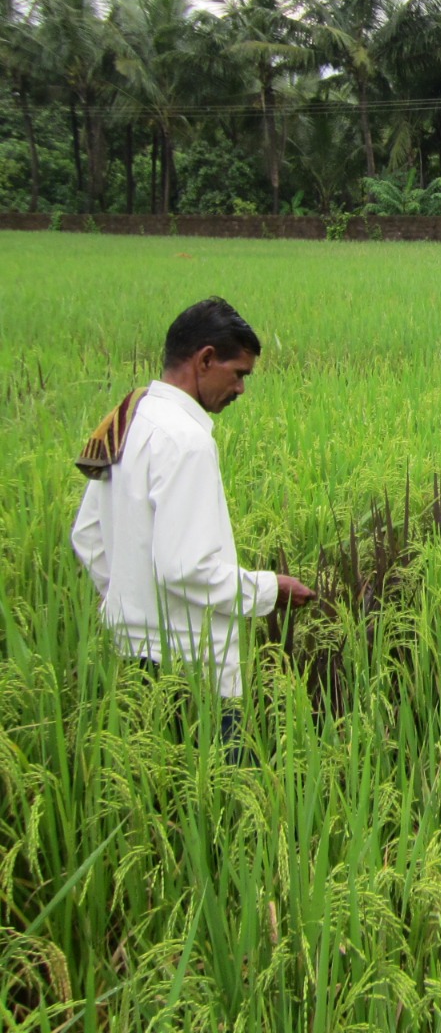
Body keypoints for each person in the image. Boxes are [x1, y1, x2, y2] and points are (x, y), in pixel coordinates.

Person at [71, 297, 314, 737]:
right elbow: (185, 568)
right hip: (193, 672)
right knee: (216, 778)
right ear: (205, 360)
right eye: (238, 374)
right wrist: (269, 589)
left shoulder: (130, 418)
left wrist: (131, 608)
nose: (240, 389)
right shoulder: (187, 441)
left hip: (130, 660)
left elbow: (88, 536)